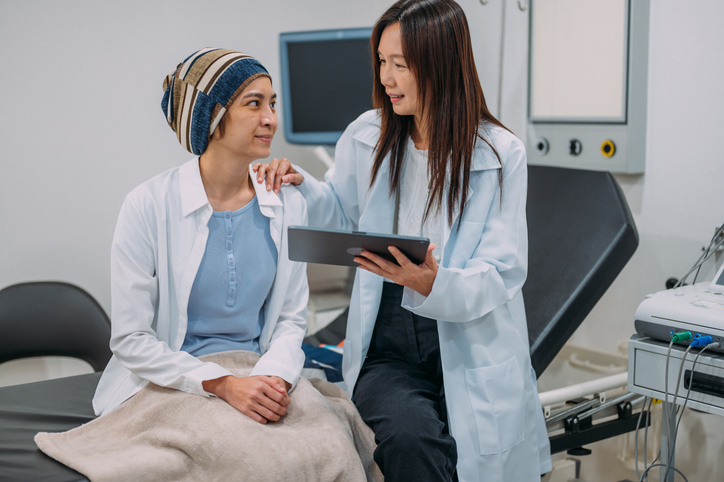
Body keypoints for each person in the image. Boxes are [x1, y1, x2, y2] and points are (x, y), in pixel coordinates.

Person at [253, 0, 552, 480]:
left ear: (441, 65)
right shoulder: (366, 136)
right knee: (411, 439)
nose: (386, 78)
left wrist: (436, 283)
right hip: (388, 333)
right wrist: (299, 182)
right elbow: (342, 214)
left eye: (400, 65)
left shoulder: (498, 153)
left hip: (468, 332)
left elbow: (503, 270)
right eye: (381, 62)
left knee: (469, 454)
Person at [92, 48, 309, 426]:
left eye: (272, 104)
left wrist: (272, 379)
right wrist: (222, 384)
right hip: (176, 378)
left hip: (260, 371)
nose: (270, 119)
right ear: (211, 116)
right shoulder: (147, 205)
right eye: (253, 104)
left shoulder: (288, 203)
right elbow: (131, 339)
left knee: (329, 443)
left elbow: (291, 319)